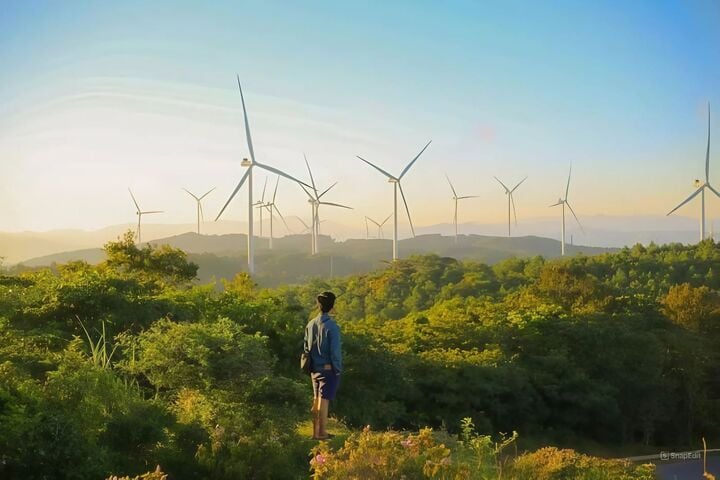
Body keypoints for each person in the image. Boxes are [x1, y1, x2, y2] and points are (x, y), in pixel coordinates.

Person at [304, 291, 342, 440]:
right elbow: (335, 352)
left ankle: (315, 432)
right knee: (324, 400)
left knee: (316, 399)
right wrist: (337, 369)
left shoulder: (310, 324)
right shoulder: (332, 326)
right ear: (332, 307)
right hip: (328, 368)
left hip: (314, 369)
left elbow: (306, 348)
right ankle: (323, 432)